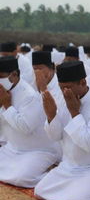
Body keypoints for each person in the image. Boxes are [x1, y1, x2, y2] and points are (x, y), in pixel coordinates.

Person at [34, 61, 90, 200]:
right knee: (40, 190)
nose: (65, 92)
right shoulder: (63, 101)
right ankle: (74, 190)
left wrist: (75, 113)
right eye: (61, 87)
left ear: (83, 82)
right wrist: (51, 116)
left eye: (68, 87)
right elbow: (55, 136)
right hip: (69, 167)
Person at [0, 56, 60, 188]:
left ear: (14, 75)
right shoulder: (3, 91)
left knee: (21, 178)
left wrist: (7, 105)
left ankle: (53, 175)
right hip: (13, 148)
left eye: (0, 76)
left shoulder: (30, 96)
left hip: (36, 150)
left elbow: (25, 127)